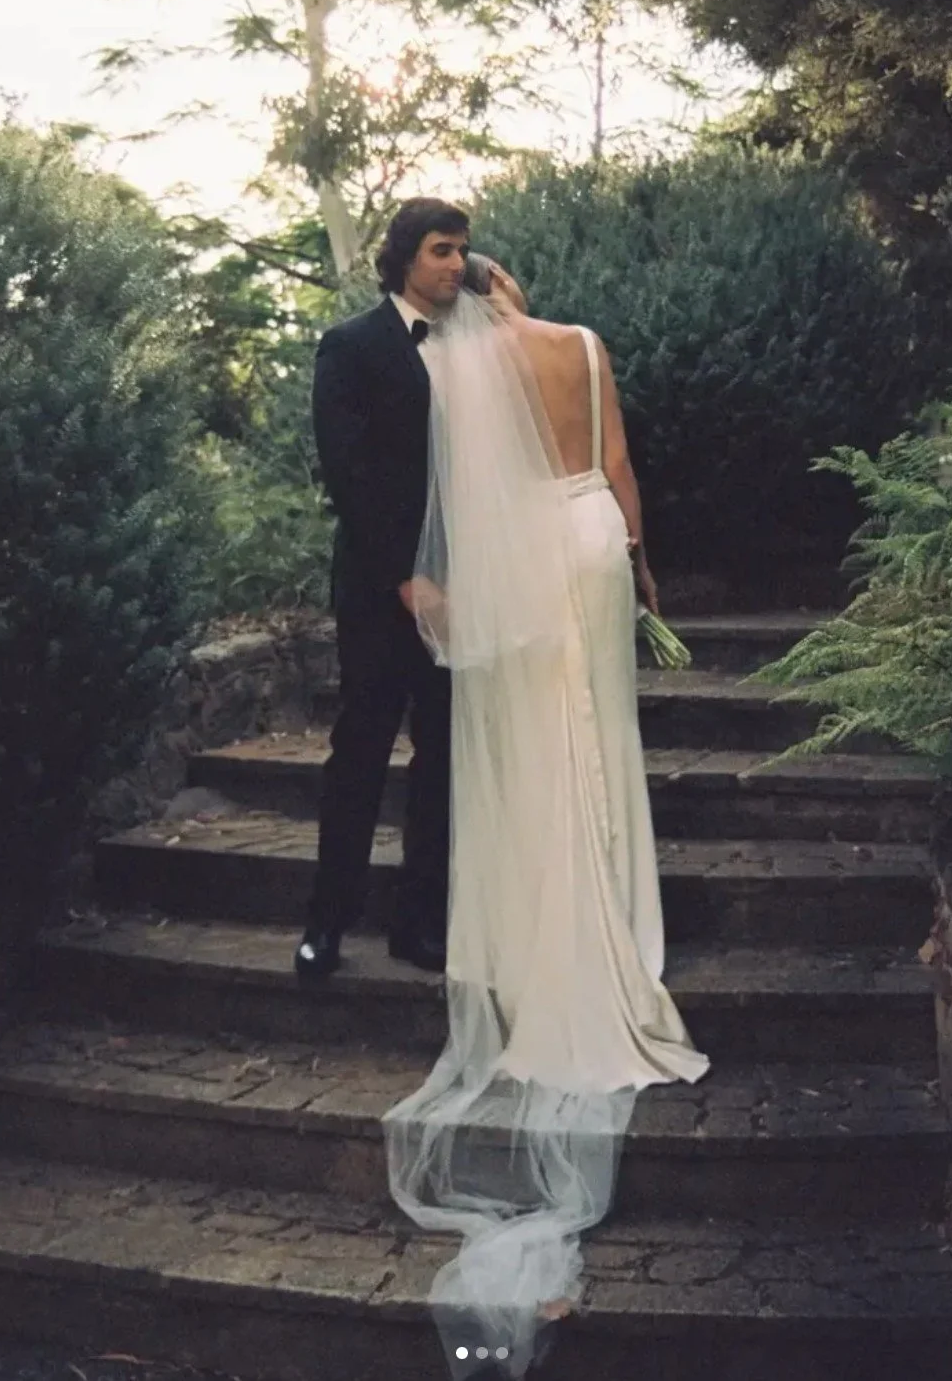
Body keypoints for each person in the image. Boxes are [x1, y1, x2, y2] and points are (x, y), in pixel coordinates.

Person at [382, 265, 711, 1379]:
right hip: (590, 541)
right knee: (602, 735)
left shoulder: (460, 363)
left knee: (532, 748)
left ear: (464, 297)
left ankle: (547, 933)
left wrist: (441, 585)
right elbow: (618, 469)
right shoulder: (582, 340)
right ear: (514, 285)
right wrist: (640, 560)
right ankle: (616, 917)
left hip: (522, 555)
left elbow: (456, 496)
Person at [296, 197, 470, 980]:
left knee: (441, 759)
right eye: (442, 250)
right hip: (378, 589)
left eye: (463, 250)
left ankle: (418, 923)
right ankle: (325, 923)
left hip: (463, 588)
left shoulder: (473, 348)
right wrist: (406, 578)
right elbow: (350, 475)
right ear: (405, 258)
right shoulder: (351, 346)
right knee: (360, 751)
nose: (457, 265)